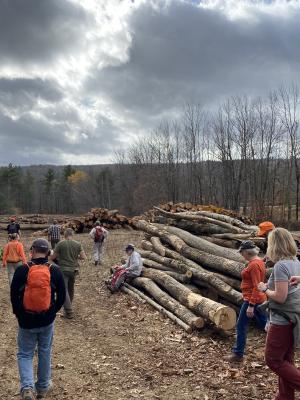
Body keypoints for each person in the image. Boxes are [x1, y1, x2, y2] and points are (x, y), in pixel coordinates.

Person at [10, 238, 66, 400]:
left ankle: (27, 388)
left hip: (26, 321)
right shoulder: (55, 270)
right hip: (47, 320)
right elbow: (62, 296)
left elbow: (14, 295)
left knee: (25, 353)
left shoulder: (22, 270)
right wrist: (52, 311)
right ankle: (42, 388)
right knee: (44, 351)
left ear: (32, 251)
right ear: (49, 253)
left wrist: (19, 314)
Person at [258, 228, 300, 400]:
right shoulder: (296, 261)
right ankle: (284, 397)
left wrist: (265, 289)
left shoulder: (281, 266)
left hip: (281, 320)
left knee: (273, 360)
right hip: (293, 318)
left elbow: (280, 297)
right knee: (286, 360)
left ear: (273, 245)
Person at [225, 241, 267, 363]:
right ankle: (284, 341)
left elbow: (256, 286)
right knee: (266, 325)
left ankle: (238, 354)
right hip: (259, 299)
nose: (241, 255)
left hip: (253, 299)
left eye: (242, 252)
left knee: (241, 326)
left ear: (247, 252)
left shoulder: (254, 265)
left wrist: (251, 305)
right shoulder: (258, 262)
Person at [51, 228, 86, 319]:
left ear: (65, 234)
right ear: (72, 234)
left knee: (64, 289)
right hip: (73, 270)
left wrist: (58, 255)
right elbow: (83, 257)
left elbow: (53, 257)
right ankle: (67, 310)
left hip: (63, 270)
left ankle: (69, 311)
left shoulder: (60, 243)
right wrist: (75, 256)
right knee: (70, 289)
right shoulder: (78, 244)